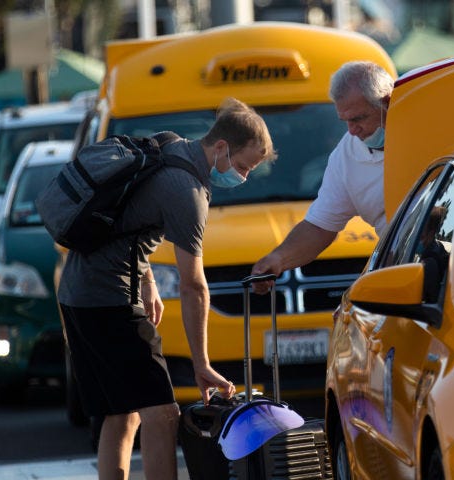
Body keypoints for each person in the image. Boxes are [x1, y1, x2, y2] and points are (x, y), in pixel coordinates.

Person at [250, 26, 454, 292]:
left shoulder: (440, 119)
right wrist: (278, 259)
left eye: (359, 118)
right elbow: (320, 226)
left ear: (388, 102)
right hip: (410, 276)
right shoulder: (346, 157)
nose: (352, 130)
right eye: (344, 120)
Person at [57, 97, 276, 480]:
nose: (241, 177)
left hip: (78, 294)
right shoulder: (188, 192)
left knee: (122, 413)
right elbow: (194, 287)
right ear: (221, 147)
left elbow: (130, 219)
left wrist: (148, 279)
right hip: (109, 301)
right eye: (242, 166)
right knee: (162, 414)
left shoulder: (169, 146)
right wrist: (201, 364)